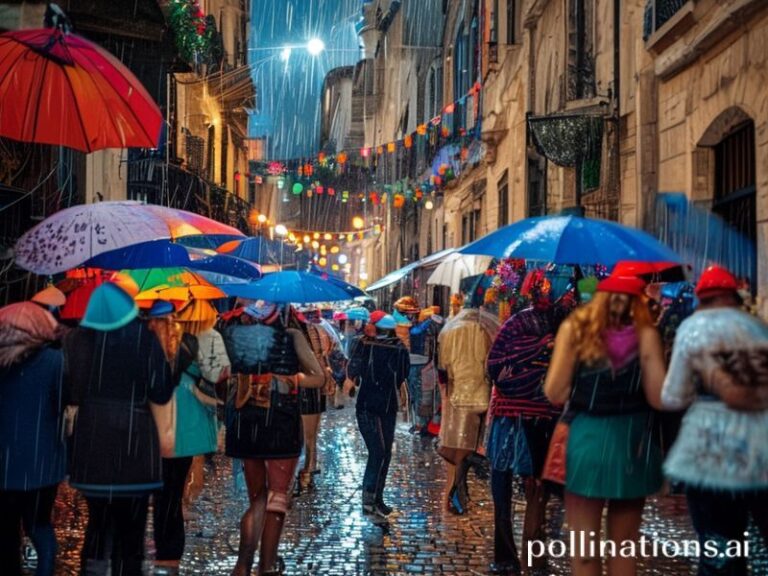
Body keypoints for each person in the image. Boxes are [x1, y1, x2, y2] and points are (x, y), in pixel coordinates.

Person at [543, 274, 666, 576]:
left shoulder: (576, 329)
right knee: (624, 549)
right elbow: (659, 397)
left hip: (588, 439)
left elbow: (555, 392)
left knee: (584, 552)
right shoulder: (646, 333)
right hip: (632, 443)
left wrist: (585, 382)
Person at [661, 265, 768, 576]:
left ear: (701, 298)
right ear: (734, 295)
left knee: (718, 549)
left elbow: (672, 396)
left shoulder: (694, 328)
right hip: (760, 447)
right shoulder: (757, 326)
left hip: (710, 450)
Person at [65, 283, 177, 576]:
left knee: (98, 526)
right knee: (132, 535)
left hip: (92, 446)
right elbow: (161, 391)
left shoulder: (78, 340)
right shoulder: (144, 339)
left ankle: (94, 570)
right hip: (135, 449)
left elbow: (71, 393)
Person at [222, 303, 324, 576]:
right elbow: (319, 378)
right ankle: (266, 567)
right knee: (276, 500)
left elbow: (222, 376)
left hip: (246, 423)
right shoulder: (292, 336)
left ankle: (242, 565)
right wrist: (290, 379)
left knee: (257, 498)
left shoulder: (233, 335)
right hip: (280, 424)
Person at [485, 272, 573, 575]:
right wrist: (540, 353)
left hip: (525, 418)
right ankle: (531, 557)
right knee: (534, 489)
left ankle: (515, 557)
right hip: (533, 418)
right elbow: (498, 367)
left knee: (519, 489)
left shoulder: (521, 324)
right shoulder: (556, 326)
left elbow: (496, 367)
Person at [153, 299, 231, 576]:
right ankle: (170, 554)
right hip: (187, 416)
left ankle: (164, 548)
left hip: (156, 415)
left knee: (162, 489)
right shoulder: (207, 335)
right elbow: (218, 373)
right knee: (173, 489)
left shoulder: (155, 332)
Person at [0, 302, 67, 576]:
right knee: (39, 525)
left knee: (5, 529)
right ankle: (45, 570)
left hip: (4, 461)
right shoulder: (54, 361)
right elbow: (62, 402)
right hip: (42, 461)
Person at [347, 311, 410, 522]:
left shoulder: (369, 345)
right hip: (373, 405)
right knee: (379, 452)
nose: (366, 326)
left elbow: (354, 370)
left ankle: (376, 499)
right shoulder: (382, 346)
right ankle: (369, 501)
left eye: (370, 324)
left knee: (384, 453)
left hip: (380, 404)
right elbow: (402, 374)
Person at [437, 306, 495, 515]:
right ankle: (460, 485)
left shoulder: (450, 332)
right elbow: (489, 364)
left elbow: (443, 365)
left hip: (456, 393)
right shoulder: (483, 332)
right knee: (470, 442)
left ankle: (456, 486)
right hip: (479, 393)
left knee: (456, 440)